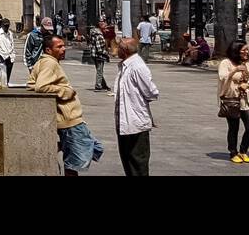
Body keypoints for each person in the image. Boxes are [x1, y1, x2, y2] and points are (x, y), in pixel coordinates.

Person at [28, 34, 103, 175]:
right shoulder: (49, 63)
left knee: (91, 147)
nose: (64, 49)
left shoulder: (46, 62)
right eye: (59, 46)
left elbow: (33, 84)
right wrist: (66, 92)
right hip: (69, 121)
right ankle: (53, 148)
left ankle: (56, 146)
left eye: (63, 46)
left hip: (68, 119)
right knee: (76, 160)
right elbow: (41, 86)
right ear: (48, 50)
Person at [114, 38, 159, 176]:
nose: (116, 51)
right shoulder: (125, 66)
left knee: (138, 162)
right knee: (127, 161)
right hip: (124, 123)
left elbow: (151, 92)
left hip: (136, 122)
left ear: (125, 50)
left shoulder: (137, 67)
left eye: (119, 48)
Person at [218, 40, 249, 163]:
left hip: (246, 100)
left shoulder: (247, 64)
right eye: (243, 50)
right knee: (234, 127)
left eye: (247, 50)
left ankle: (243, 150)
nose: (246, 52)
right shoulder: (226, 63)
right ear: (236, 51)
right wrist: (235, 70)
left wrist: (247, 84)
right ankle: (233, 152)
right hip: (231, 99)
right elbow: (223, 77)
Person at [89, 21, 111, 91]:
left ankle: (103, 85)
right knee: (99, 70)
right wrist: (107, 54)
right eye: (105, 26)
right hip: (99, 55)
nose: (106, 27)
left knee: (99, 70)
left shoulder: (94, 33)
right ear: (100, 26)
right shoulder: (99, 35)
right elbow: (99, 49)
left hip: (94, 53)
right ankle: (98, 86)